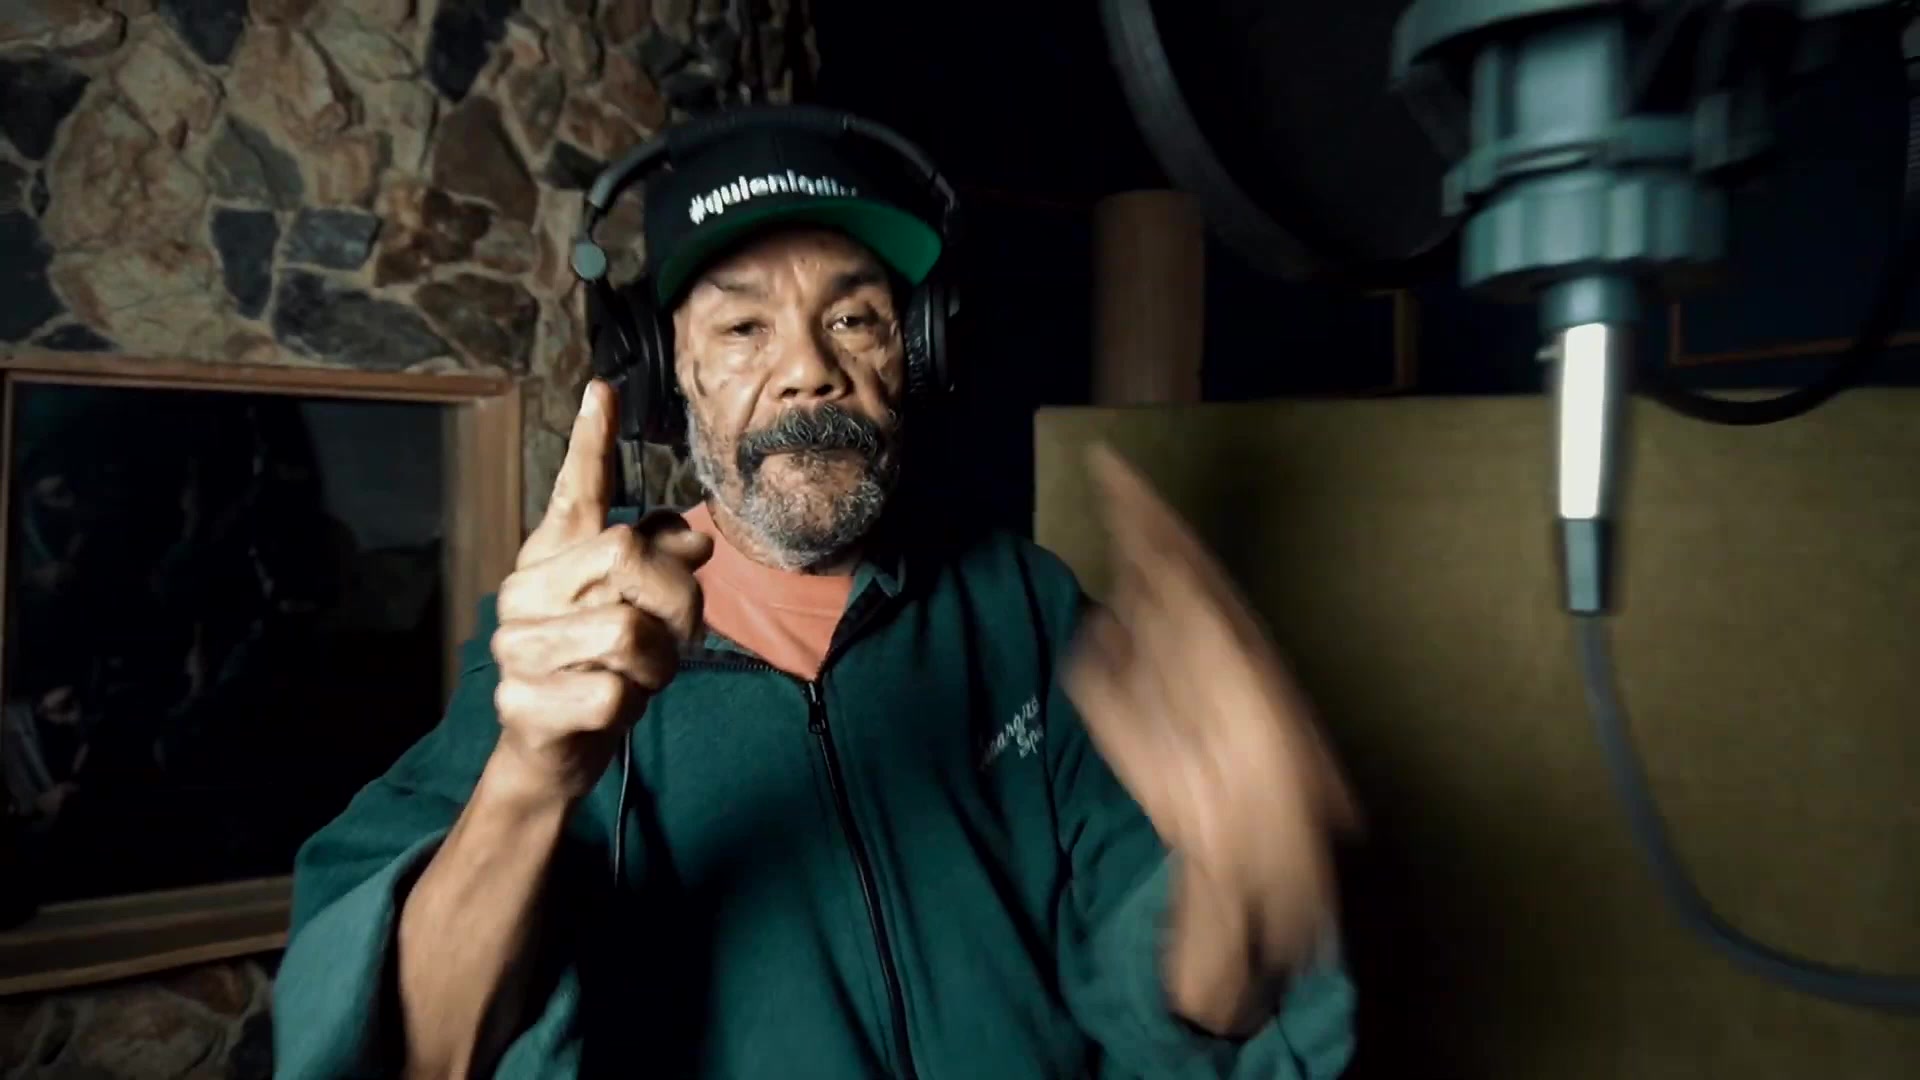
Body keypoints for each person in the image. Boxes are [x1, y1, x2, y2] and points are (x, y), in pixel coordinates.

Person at [274, 109, 1358, 1079]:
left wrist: (1243, 877)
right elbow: (421, 1054)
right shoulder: (568, 651)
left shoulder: (1023, 608)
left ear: (917, 350)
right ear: (666, 374)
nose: (808, 370)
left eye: (855, 319)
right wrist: (532, 774)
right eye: (742, 328)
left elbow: (1180, 1000)